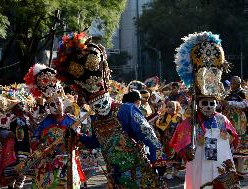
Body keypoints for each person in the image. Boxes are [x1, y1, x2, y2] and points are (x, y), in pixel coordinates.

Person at [52, 32, 167, 188]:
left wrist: (157, 160)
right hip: (115, 176)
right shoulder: (96, 119)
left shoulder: (127, 110)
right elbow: (97, 141)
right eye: (95, 106)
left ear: (108, 96)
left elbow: (148, 135)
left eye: (102, 102)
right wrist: (77, 137)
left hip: (139, 173)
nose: (100, 108)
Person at [171, 31, 241, 189]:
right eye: (205, 104)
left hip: (221, 162)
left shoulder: (222, 119)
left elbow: (234, 138)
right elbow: (178, 141)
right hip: (200, 162)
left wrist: (227, 139)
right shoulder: (191, 122)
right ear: (198, 104)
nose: (209, 107)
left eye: (212, 104)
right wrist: (186, 151)